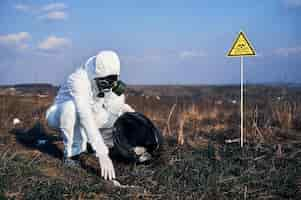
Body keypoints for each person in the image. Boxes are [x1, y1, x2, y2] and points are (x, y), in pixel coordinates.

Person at [45, 50, 134, 181]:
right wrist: (102, 154)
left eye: (112, 82)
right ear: (95, 75)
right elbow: (84, 114)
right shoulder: (78, 79)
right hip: (59, 115)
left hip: (89, 114)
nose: (108, 87)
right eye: (104, 83)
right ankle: (72, 154)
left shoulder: (113, 80)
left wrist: (131, 114)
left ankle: (94, 143)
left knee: (115, 111)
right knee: (72, 108)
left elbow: (117, 105)